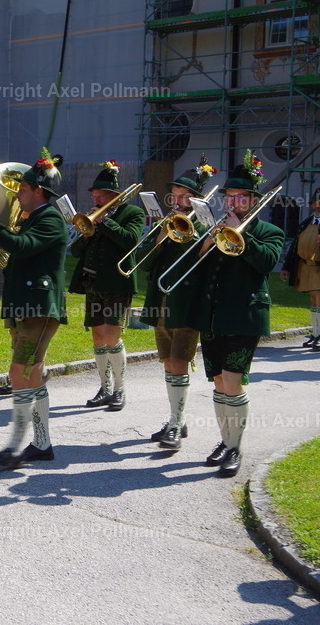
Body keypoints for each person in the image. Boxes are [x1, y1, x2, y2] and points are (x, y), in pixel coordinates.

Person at [0, 149, 68, 469]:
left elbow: (22, 247)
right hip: (24, 307)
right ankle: (42, 444)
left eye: (23, 189)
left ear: (39, 191)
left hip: (39, 309)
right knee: (33, 373)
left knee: (19, 372)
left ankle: (14, 448)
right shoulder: (32, 218)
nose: (17, 193)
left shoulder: (50, 218)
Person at [190, 154, 284, 477]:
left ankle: (235, 448)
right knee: (218, 382)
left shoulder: (269, 230)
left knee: (232, 381)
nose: (232, 202)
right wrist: (206, 242)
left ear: (254, 200)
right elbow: (199, 269)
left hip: (244, 316)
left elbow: (267, 262)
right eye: (229, 197)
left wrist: (239, 234)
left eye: (239, 197)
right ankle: (225, 439)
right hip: (213, 315)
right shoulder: (217, 228)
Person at [136, 158, 214, 450]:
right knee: (169, 363)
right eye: (175, 196)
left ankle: (176, 425)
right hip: (161, 301)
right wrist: (160, 233)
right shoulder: (166, 224)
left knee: (179, 362)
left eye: (183, 197)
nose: (177, 202)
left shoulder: (205, 225)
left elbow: (203, 263)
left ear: (195, 200)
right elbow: (143, 262)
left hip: (186, 303)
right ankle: (176, 419)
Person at [68, 160, 145, 411]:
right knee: (98, 336)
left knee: (112, 335)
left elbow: (130, 241)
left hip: (117, 283)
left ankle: (120, 390)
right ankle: (105, 387)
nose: (96, 199)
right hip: (93, 283)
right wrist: (86, 234)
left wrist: (106, 222)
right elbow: (75, 251)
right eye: (94, 196)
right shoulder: (93, 217)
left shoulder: (132, 213)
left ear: (114, 195)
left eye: (100, 196)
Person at [280, 184, 320, 351]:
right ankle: (315, 334)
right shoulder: (306, 223)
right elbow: (295, 246)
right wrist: (286, 266)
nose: (316, 206)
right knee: (314, 301)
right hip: (306, 267)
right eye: (314, 203)